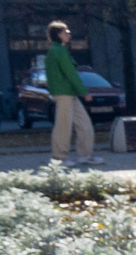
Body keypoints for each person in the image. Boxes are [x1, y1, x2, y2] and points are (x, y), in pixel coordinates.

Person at [42, 22, 97, 167]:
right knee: (63, 126)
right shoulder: (58, 51)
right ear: (58, 35)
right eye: (66, 32)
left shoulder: (58, 50)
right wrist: (84, 93)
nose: (69, 34)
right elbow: (71, 74)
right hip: (63, 93)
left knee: (84, 124)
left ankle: (85, 156)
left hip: (69, 93)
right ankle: (59, 159)